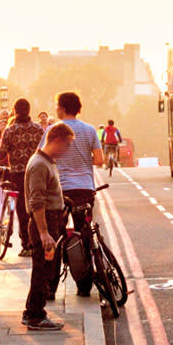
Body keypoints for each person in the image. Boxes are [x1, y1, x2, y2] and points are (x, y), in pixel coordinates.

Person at [49, 92, 104, 293]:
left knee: (57, 237)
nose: (56, 109)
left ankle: (52, 286)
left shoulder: (52, 131)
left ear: (62, 108)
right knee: (85, 234)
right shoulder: (90, 130)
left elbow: (43, 157)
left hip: (61, 191)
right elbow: (99, 160)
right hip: (84, 189)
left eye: (57, 105)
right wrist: (82, 163)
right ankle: (85, 285)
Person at [23, 122, 73, 331]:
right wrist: (44, 233)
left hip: (52, 220)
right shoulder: (39, 165)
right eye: (67, 145)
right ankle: (35, 315)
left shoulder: (47, 162)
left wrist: (63, 201)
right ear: (57, 141)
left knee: (48, 269)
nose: (68, 149)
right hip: (43, 223)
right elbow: (37, 201)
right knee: (42, 270)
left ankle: (34, 312)